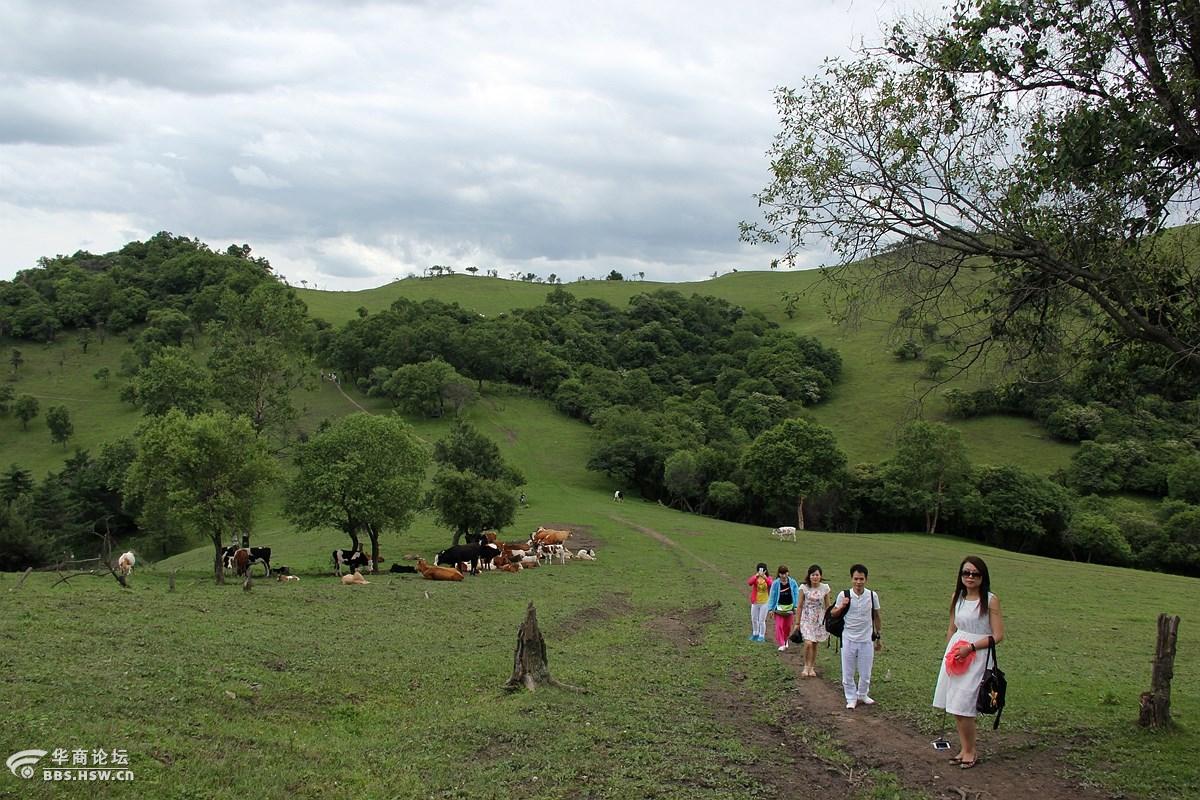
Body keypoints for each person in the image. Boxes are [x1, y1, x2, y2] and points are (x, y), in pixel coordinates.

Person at [933, 556, 1005, 770]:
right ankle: (964, 749)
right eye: (966, 573)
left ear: (983, 577)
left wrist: (971, 648)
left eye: (975, 573)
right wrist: (950, 651)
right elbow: (952, 627)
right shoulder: (957, 597)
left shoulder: (990, 600)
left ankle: (971, 751)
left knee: (965, 703)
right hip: (956, 656)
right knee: (955, 704)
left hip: (978, 656)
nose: (970, 577)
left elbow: (998, 635)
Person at [831, 563, 881, 709]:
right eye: (856, 579)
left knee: (866, 672)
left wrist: (879, 636)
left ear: (866, 579)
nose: (858, 582)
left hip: (866, 639)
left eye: (861, 579)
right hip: (848, 638)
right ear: (851, 579)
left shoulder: (872, 596)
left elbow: (877, 616)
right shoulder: (844, 595)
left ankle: (863, 694)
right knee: (848, 671)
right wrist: (842, 606)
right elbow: (833, 614)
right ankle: (851, 697)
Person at [798, 564, 831, 676]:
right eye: (813, 575)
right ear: (809, 576)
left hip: (819, 619)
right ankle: (805, 666)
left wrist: (830, 620)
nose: (815, 577)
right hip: (806, 618)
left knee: (815, 643)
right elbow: (800, 606)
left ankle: (811, 667)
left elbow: (828, 606)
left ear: (820, 576)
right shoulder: (804, 588)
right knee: (808, 643)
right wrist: (797, 623)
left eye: (817, 575)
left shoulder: (825, 588)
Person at [767, 565, 800, 651]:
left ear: (788, 573)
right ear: (779, 574)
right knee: (779, 626)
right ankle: (781, 643)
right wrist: (770, 609)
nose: (783, 575)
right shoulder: (775, 583)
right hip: (779, 609)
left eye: (785, 573)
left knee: (788, 627)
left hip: (790, 609)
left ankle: (785, 641)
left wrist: (796, 606)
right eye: (781, 573)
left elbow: (796, 595)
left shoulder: (793, 583)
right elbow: (772, 596)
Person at [746, 562, 773, 642]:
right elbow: (749, 583)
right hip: (755, 602)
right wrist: (756, 576)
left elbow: (771, 584)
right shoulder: (756, 578)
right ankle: (755, 633)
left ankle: (761, 636)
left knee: (761, 620)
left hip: (764, 602)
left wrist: (765, 578)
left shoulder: (768, 578)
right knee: (754, 618)